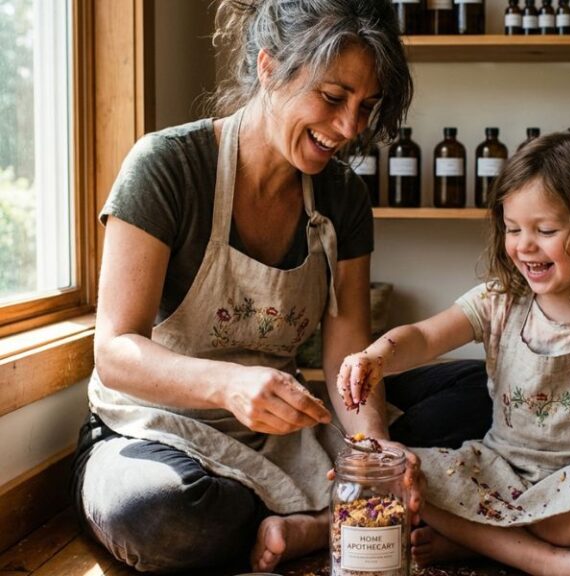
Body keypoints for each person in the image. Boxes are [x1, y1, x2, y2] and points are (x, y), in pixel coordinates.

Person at [69, 1, 493, 573]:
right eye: (333, 97)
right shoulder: (166, 166)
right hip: (153, 430)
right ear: (268, 68)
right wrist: (228, 385)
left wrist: (371, 453)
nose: (349, 129)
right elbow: (115, 351)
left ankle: (323, 515)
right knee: (159, 513)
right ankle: (331, 519)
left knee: (492, 387)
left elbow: (349, 356)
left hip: (284, 433)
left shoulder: (343, 198)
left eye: (366, 107)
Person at [338, 132, 570, 576]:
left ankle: (478, 541)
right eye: (513, 229)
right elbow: (423, 336)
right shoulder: (498, 301)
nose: (524, 245)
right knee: (409, 474)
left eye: (546, 230)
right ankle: (541, 558)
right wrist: (376, 356)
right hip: (498, 470)